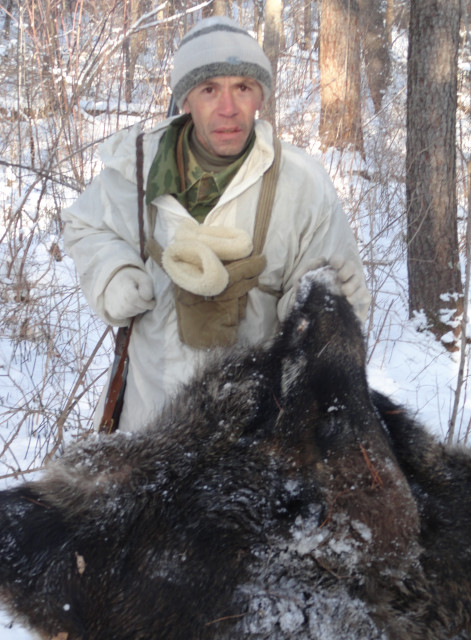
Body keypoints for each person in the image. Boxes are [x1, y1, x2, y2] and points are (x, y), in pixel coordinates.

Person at [62, 16, 371, 433]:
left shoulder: (302, 183)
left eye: (243, 87)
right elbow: (85, 226)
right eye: (210, 89)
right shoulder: (136, 166)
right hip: (150, 421)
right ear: (186, 100)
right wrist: (111, 272)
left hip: (252, 435)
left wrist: (319, 303)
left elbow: (329, 305)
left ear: (260, 96)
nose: (228, 108)